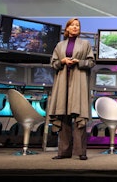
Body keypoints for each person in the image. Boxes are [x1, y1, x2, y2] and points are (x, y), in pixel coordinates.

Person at [48, 18, 96, 160]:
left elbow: (91, 62)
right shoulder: (60, 45)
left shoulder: (85, 44)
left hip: (79, 82)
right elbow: (53, 63)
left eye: (78, 25)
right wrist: (62, 61)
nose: (75, 27)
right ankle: (63, 152)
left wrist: (79, 62)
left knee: (78, 116)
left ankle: (81, 152)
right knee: (63, 116)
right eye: (73, 25)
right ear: (67, 28)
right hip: (63, 82)